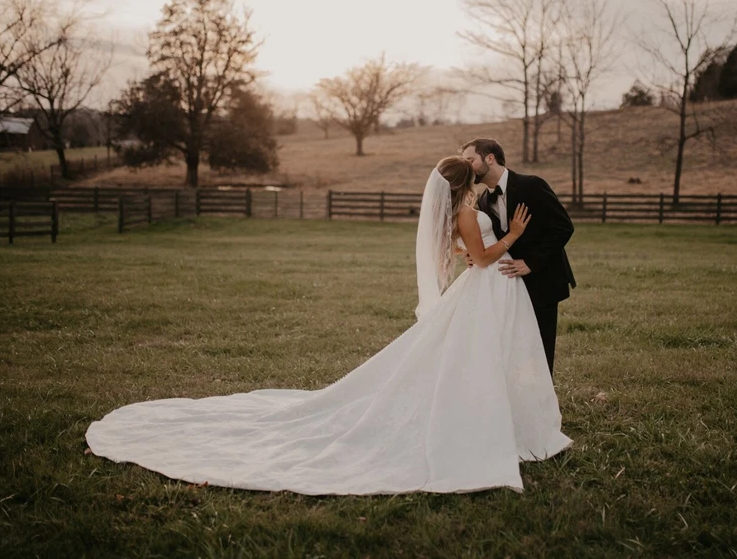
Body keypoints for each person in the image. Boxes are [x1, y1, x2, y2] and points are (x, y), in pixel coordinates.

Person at [86, 157, 571, 495]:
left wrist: (480, 247)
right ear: (468, 181)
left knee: (481, 360)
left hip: (491, 293)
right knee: (476, 360)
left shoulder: (463, 210)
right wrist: (513, 234)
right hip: (488, 287)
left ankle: (500, 418)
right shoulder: (469, 210)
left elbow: (462, 251)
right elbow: (482, 257)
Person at [460, 139, 576, 377]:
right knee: (515, 348)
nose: (466, 166)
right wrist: (471, 256)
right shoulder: (483, 200)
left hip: (541, 279)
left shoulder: (532, 185)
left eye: (470, 160)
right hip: (507, 285)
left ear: (489, 158)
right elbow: (486, 240)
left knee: (540, 349)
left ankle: (543, 407)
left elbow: (563, 227)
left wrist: (531, 263)